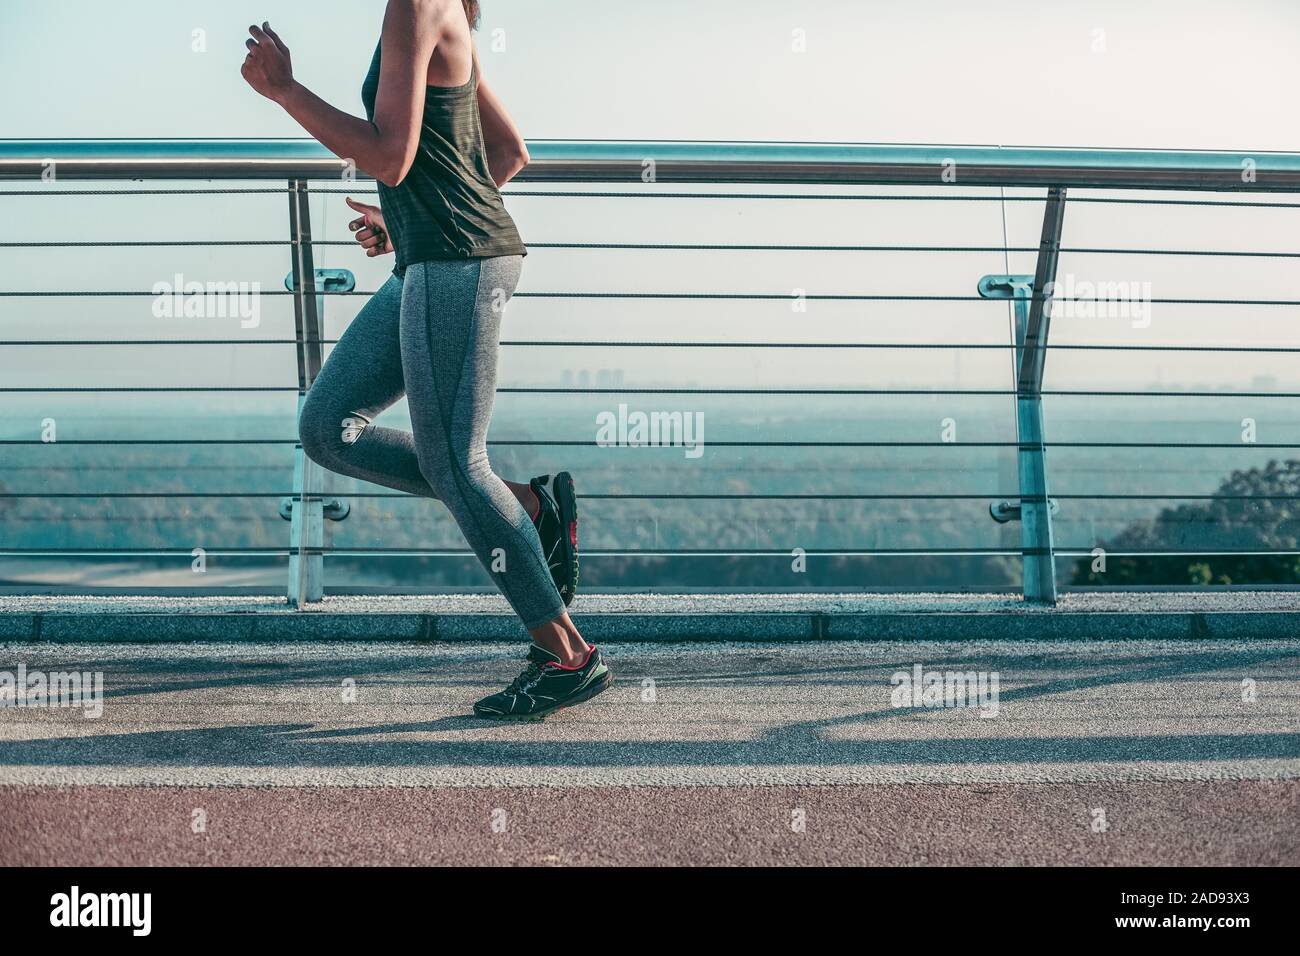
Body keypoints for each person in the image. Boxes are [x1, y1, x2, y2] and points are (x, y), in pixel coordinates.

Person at [240, 0, 609, 719]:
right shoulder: (439, 10)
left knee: (455, 465)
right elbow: (507, 152)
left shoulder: (415, 4)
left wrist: (285, 90)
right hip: (432, 258)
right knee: (326, 427)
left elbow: (388, 155)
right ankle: (532, 508)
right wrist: (403, 218)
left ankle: (568, 655)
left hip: (458, 267)